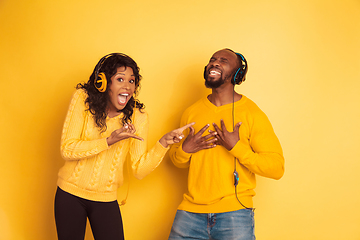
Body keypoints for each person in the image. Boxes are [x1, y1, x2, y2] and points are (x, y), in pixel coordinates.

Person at [54, 53, 193, 240]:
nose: (127, 86)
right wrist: (108, 141)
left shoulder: (138, 117)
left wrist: (164, 143)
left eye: (132, 81)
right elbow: (67, 149)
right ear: (103, 83)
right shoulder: (82, 99)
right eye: (120, 79)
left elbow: (139, 170)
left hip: (105, 198)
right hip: (69, 195)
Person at [168, 48, 285, 239]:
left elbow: (276, 168)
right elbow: (177, 161)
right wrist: (185, 150)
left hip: (235, 214)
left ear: (237, 74)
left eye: (223, 61)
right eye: (212, 59)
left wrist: (236, 147)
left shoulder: (252, 113)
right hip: (190, 213)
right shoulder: (191, 112)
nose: (214, 63)